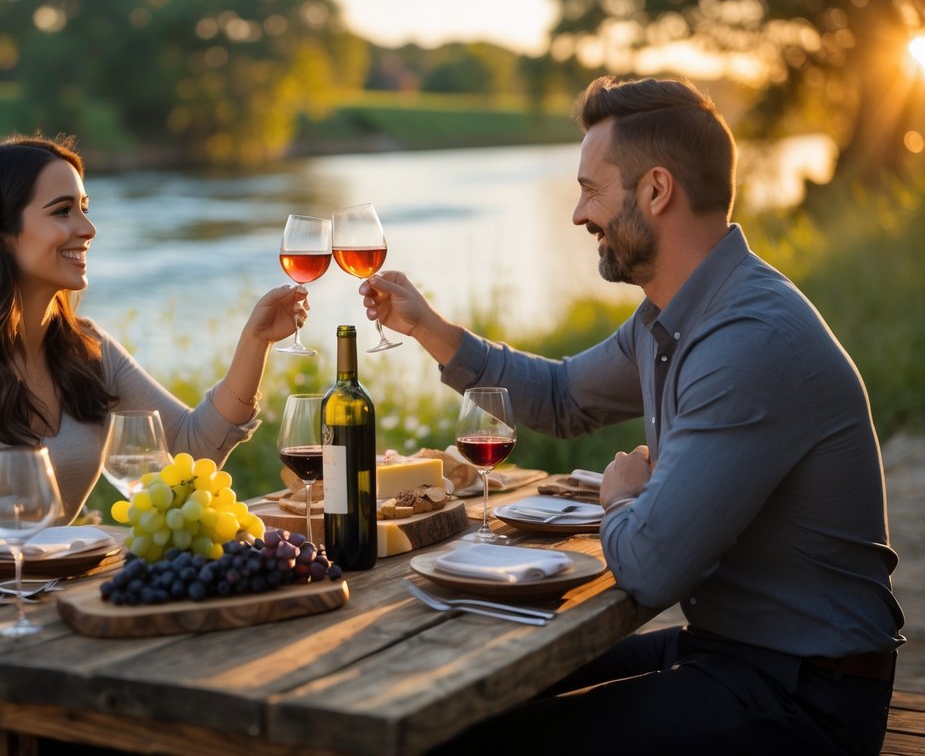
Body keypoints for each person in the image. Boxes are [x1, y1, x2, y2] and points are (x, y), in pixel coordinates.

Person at [361, 77, 904, 754]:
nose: (577, 214)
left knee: (489, 741)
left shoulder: (748, 340)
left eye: (590, 188)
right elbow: (562, 398)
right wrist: (430, 328)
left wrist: (620, 499)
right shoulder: (672, 317)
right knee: (462, 705)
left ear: (654, 190)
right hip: (730, 652)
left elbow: (647, 566)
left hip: (805, 697)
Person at [0, 134, 307, 596]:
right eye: (62, 211)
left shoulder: (88, 350)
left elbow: (191, 451)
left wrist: (256, 342)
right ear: (2, 233)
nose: (87, 228)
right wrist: (14, 558)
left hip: (17, 599)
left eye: (84, 207)